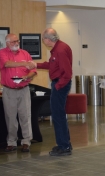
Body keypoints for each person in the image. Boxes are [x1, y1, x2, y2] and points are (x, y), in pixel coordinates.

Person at [31, 28, 72, 156]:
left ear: (48, 39)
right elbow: (51, 65)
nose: (43, 41)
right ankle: (64, 144)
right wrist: (36, 65)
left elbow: (67, 73)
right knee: (59, 114)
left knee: (58, 115)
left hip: (60, 84)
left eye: (43, 39)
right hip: (59, 83)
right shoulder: (58, 48)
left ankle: (64, 146)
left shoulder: (59, 50)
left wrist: (58, 86)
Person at [0, 33, 36, 152]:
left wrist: (27, 76)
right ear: (7, 43)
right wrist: (25, 63)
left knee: (25, 116)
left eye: (17, 41)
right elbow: (7, 64)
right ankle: (12, 142)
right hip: (9, 91)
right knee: (10, 117)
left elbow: (33, 70)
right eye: (13, 42)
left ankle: (26, 141)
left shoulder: (25, 53)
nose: (16, 43)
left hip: (23, 90)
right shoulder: (2, 53)